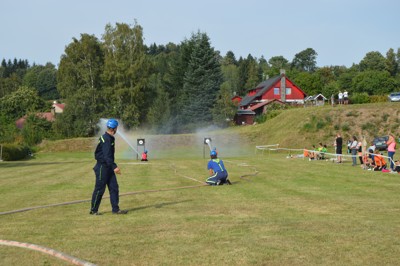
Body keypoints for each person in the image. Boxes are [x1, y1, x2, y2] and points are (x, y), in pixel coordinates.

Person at [90, 119, 128, 215]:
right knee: (99, 189)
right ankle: (93, 210)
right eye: (116, 128)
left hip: (108, 167)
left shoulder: (110, 138)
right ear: (114, 128)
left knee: (114, 187)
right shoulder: (106, 139)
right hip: (102, 167)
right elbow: (107, 156)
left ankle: (115, 209)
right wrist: (114, 167)